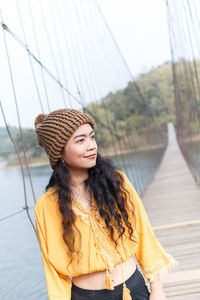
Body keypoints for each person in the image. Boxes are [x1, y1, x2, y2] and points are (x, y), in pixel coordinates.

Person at [34, 108, 177, 300]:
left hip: (133, 290)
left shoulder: (117, 182)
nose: (91, 145)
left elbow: (144, 234)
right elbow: (53, 271)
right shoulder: (46, 206)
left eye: (92, 137)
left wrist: (157, 288)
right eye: (81, 140)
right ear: (59, 151)